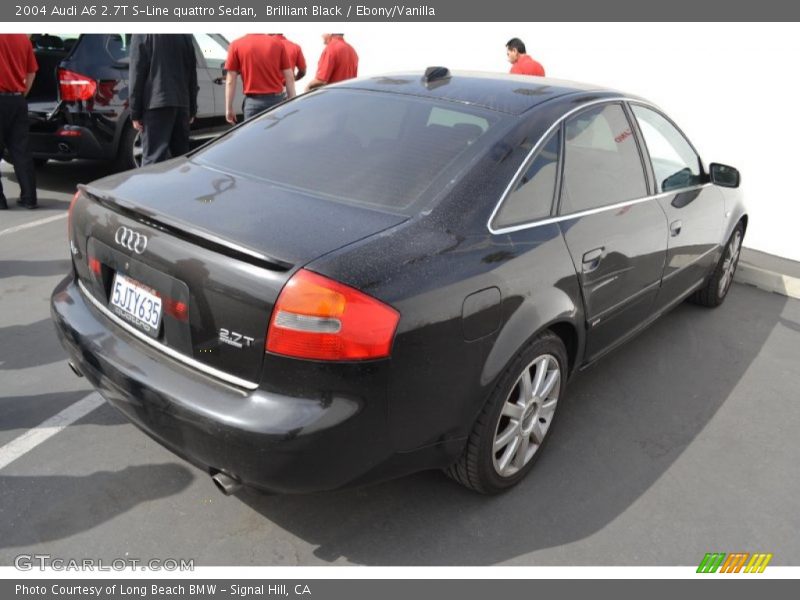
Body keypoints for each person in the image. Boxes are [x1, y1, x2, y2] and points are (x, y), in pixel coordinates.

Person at [129, 34, 198, 166]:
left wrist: (135, 112)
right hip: (181, 104)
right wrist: (192, 108)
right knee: (181, 161)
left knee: (153, 161)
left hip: (156, 104)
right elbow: (192, 73)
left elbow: (137, 72)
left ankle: (151, 187)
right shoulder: (184, 35)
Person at [0, 34, 38, 210]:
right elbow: (31, 72)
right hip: (17, 100)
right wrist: (22, 94)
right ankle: (29, 198)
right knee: (21, 151)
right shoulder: (23, 39)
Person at [225, 34, 296, 123]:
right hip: (276, 102)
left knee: (253, 135)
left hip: (253, 104)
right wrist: (292, 103)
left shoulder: (236, 45)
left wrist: (229, 108)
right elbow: (289, 77)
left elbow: (230, 81)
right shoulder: (277, 43)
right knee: (277, 135)